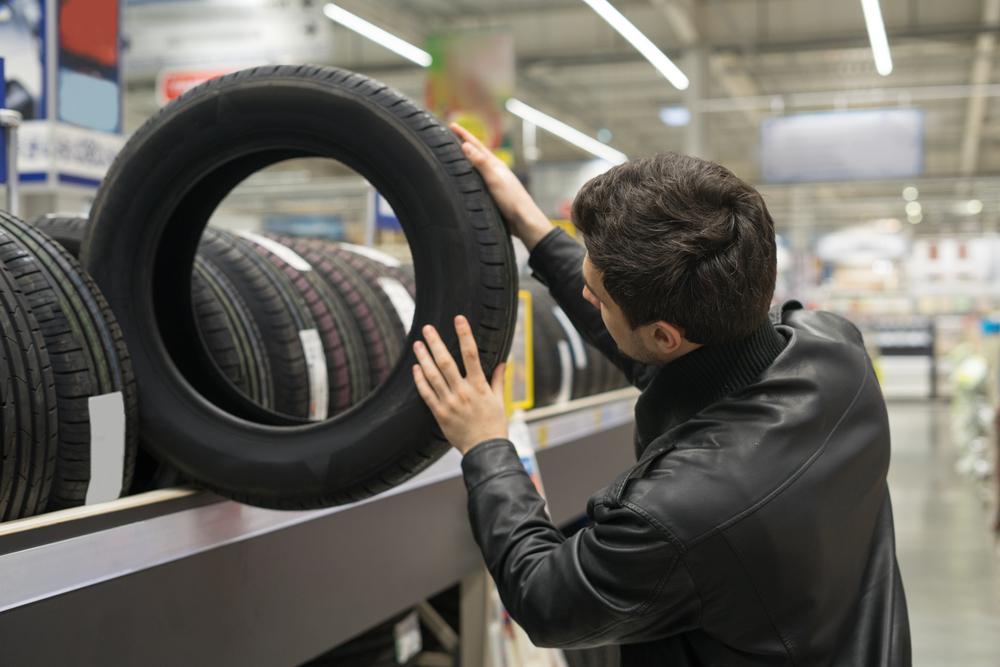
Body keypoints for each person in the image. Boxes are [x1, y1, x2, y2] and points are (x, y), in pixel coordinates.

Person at [410, 123, 912, 666]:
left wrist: (488, 446)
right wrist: (533, 228)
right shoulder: (837, 351)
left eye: (597, 294)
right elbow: (665, 359)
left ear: (665, 335)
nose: (585, 293)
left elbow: (545, 598)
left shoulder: (674, 514)